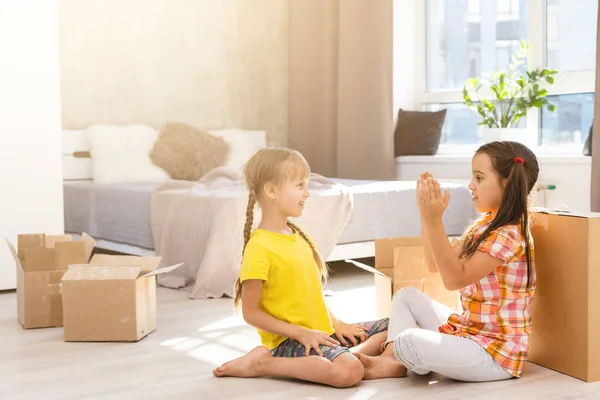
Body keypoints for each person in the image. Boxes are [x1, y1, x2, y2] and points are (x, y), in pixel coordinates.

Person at [357, 141, 539, 382]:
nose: (470, 185)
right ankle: (392, 360)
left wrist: (435, 221)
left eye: (479, 177)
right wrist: (426, 214)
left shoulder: (509, 235)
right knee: (406, 296)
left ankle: (397, 353)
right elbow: (435, 265)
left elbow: (454, 279)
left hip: (494, 353)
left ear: (506, 183)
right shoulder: (484, 225)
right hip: (468, 331)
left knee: (409, 340)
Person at [213, 146, 389, 388]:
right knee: (347, 372)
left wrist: (337, 324)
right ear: (271, 190)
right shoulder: (259, 247)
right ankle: (263, 363)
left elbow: (310, 294)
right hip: (289, 341)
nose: (307, 193)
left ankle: (353, 355)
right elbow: (251, 313)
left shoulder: (299, 235)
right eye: (300, 185)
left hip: (322, 332)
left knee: (396, 324)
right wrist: (301, 333)